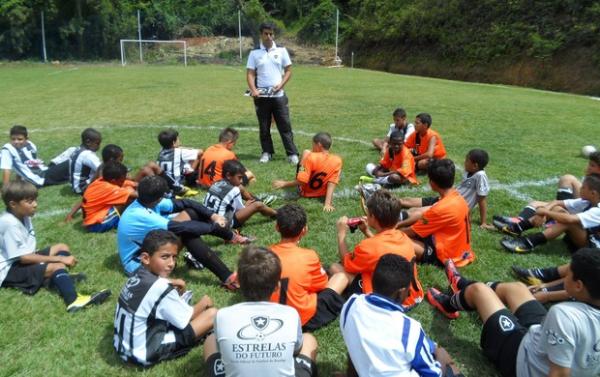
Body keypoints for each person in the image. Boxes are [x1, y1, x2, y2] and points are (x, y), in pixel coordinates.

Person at [427, 249, 600, 377]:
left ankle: (449, 304)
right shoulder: (575, 312)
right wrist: (547, 294)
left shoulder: (565, 316)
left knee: (478, 291)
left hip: (523, 360)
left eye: (568, 274)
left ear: (578, 285)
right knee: (517, 288)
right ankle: (462, 285)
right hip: (542, 341)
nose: (564, 278)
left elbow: (559, 374)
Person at [341, 254, 463, 377]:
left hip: (366, 369)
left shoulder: (351, 304)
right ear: (400, 293)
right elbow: (433, 374)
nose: (410, 292)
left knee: (426, 348)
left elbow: (353, 349)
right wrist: (442, 358)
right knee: (448, 363)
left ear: (373, 280)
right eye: (408, 289)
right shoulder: (409, 329)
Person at [203, 246, 318, 377]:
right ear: (277, 286)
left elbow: (221, 349)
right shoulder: (290, 314)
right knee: (309, 339)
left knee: (211, 340)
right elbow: (296, 348)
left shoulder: (222, 315)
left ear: (238, 282)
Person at [116, 175, 248, 289]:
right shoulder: (140, 215)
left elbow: (186, 202)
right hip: (140, 264)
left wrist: (213, 216)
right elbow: (182, 228)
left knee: (191, 212)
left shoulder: (146, 202)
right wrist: (214, 227)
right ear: (158, 198)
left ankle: (231, 237)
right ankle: (228, 278)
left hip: (150, 248)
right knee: (186, 233)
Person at [0, 181, 111, 312]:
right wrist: (60, 260)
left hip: (21, 260)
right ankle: (73, 301)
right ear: (13, 204)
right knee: (57, 265)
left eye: (35, 200)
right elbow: (24, 258)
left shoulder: (23, 214)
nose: (35, 205)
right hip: (8, 270)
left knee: (61, 247)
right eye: (29, 202)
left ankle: (56, 279)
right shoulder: (9, 223)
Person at [113, 229, 216, 366]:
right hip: (143, 353)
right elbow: (186, 319)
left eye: (174, 257)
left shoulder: (136, 274)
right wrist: (204, 303)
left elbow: (153, 286)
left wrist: (172, 282)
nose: (171, 263)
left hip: (123, 346)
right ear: (146, 258)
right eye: (165, 257)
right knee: (212, 314)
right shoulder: (161, 288)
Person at [330, 189, 423, 308]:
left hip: (390, 301)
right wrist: (367, 231)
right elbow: (385, 251)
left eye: (368, 213)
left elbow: (347, 264)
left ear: (372, 217)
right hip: (412, 295)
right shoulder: (403, 237)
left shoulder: (368, 247)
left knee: (335, 268)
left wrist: (341, 234)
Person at [269, 204, 348, 332]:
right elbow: (322, 285)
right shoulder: (309, 256)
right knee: (341, 277)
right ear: (304, 230)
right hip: (304, 319)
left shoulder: (264, 255)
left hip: (271, 318)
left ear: (277, 227)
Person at [494, 151, 600, 235]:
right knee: (536, 203)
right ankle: (517, 221)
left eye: (592, 165)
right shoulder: (593, 179)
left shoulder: (595, 188)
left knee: (553, 208)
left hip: (588, 214)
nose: (588, 167)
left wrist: (548, 210)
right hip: (584, 204)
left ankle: (555, 218)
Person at [499, 173, 600, 253]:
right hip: (584, 236)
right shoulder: (586, 200)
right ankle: (517, 228)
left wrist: (544, 211)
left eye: (583, 188)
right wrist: (543, 213)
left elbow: (569, 219)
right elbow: (557, 202)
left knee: (569, 222)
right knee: (557, 209)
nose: (580, 189)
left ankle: (528, 243)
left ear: (593, 193)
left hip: (592, 247)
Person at [401, 159, 475, 267]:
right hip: (462, 251)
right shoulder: (457, 197)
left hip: (448, 257)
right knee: (420, 212)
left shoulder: (440, 209)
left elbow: (412, 232)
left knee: (398, 239)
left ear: (432, 183)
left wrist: (392, 231)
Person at [246, 22, 299, 164]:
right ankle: (267, 152)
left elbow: (288, 70)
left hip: (279, 96)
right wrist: (253, 90)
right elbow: (250, 74)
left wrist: (281, 84)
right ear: (261, 34)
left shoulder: (281, 50)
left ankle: (292, 154)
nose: (269, 36)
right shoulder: (254, 53)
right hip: (262, 97)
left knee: (285, 126)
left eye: (271, 34)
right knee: (264, 127)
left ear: (273, 34)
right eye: (266, 34)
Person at [399, 149, 491, 229]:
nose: (464, 162)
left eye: (467, 161)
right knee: (406, 200)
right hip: (446, 198)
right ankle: (387, 203)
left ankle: (394, 220)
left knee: (415, 211)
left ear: (475, 165)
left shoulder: (480, 176)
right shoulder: (469, 172)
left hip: (451, 205)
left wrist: (483, 222)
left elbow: (482, 199)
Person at [272, 132, 342, 212]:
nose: (312, 147)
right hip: (322, 192)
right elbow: (332, 182)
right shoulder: (337, 160)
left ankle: (301, 172)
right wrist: (327, 203)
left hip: (306, 191)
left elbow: (301, 181)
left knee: (306, 152)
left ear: (319, 145)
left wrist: (284, 183)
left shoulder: (310, 157)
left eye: (313, 145)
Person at [203, 159, 276, 230]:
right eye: (239, 177)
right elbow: (240, 210)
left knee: (240, 187)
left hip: (208, 218)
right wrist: (247, 206)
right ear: (228, 175)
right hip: (223, 223)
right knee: (258, 205)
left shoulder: (217, 183)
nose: (241, 181)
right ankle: (277, 214)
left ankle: (253, 199)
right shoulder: (234, 190)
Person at [1, 125, 71, 187]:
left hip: (46, 170)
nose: (16, 142)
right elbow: (6, 170)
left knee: (72, 150)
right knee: (71, 161)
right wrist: (5, 189)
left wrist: (19, 181)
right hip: (41, 178)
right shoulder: (7, 150)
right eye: (13, 139)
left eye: (20, 139)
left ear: (27, 138)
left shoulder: (30, 145)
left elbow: (24, 164)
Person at [80, 161, 137, 233]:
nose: (124, 181)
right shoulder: (109, 188)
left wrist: (136, 184)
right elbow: (137, 195)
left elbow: (131, 184)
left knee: (128, 190)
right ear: (113, 181)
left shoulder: (100, 181)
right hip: (96, 225)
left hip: (90, 220)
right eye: (122, 180)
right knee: (128, 197)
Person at [157, 128, 201, 196]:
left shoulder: (161, 151)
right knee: (196, 157)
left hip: (164, 183)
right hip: (177, 183)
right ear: (174, 143)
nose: (179, 141)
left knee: (184, 161)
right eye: (178, 139)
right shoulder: (179, 152)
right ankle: (193, 180)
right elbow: (200, 152)